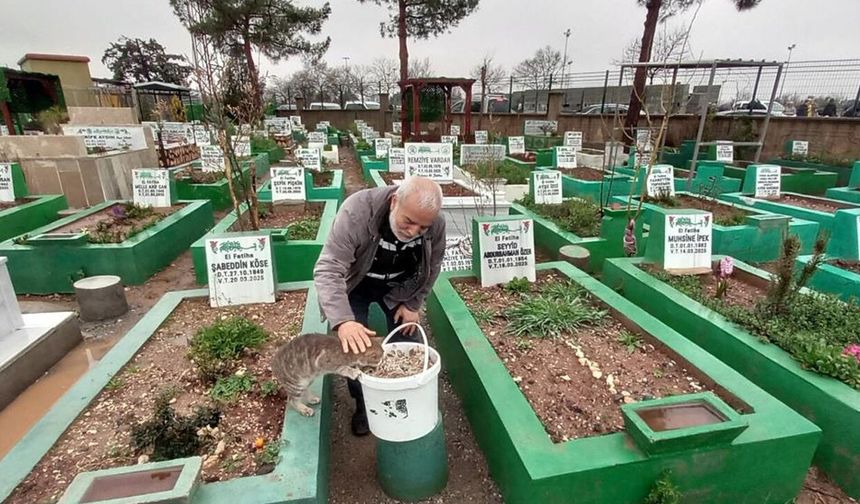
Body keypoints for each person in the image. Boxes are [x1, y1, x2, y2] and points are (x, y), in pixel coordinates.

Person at [313, 176, 446, 436]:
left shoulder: (436, 225)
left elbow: (433, 266)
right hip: (357, 282)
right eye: (408, 222)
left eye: (422, 228)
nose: (413, 232)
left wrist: (413, 303)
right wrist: (343, 321)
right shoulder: (357, 211)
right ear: (395, 201)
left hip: (399, 287)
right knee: (354, 349)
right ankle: (364, 405)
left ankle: (411, 396)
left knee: (413, 339)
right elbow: (329, 268)